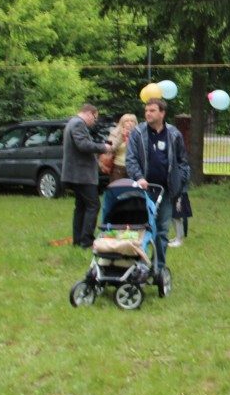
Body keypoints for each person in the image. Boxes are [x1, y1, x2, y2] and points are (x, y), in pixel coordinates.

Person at [125, 98, 191, 273]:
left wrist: (179, 181)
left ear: (162, 113)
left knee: (162, 231)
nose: (148, 113)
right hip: (143, 190)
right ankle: (139, 266)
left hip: (166, 191)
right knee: (141, 229)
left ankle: (158, 268)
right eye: (146, 110)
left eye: (152, 110)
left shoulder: (174, 134)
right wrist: (139, 177)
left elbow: (183, 162)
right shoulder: (137, 133)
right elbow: (131, 159)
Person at [62, 103, 113, 248]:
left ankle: (78, 240)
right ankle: (87, 240)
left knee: (81, 207)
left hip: (76, 174)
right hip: (81, 175)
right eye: (95, 118)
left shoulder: (72, 123)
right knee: (93, 205)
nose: (94, 122)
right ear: (90, 113)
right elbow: (83, 145)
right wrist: (103, 147)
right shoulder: (78, 124)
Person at [108, 113, 138, 181]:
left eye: (132, 121)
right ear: (122, 123)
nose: (129, 123)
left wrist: (131, 137)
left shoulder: (138, 134)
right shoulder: (115, 133)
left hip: (134, 167)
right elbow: (110, 148)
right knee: (118, 187)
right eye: (126, 121)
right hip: (118, 166)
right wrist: (121, 137)